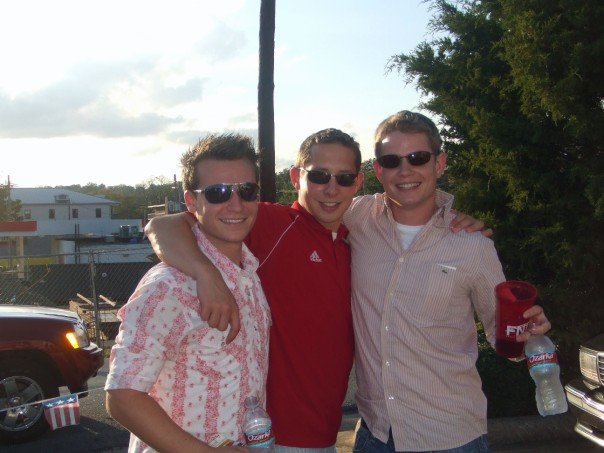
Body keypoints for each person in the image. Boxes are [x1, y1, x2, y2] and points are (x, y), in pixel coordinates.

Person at [144, 128, 486, 452]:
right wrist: (205, 274)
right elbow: (163, 225)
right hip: (274, 433)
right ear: (296, 177)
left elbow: (412, 208)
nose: (331, 189)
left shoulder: (356, 234)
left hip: (329, 431)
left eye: (344, 178)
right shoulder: (268, 222)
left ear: (358, 182)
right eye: (319, 176)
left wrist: (451, 220)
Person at [345, 111, 551, 452]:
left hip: (451, 437)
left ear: (439, 163)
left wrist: (528, 333)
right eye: (392, 161)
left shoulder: (472, 245)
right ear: (378, 170)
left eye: (418, 158)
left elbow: (502, 333)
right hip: (374, 434)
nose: (405, 170)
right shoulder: (355, 218)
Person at [105, 133, 270, 452]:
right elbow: (122, 396)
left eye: (246, 191)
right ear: (192, 202)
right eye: (217, 192)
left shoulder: (250, 276)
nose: (236, 204)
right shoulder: (168, 286)